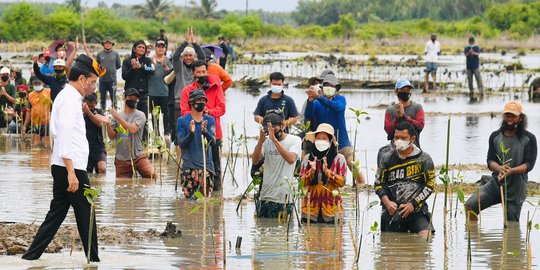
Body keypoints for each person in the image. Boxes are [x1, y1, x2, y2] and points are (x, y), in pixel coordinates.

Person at [22, 54, 105, 262]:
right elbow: (65, 135)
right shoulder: (69, 99)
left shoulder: (69, 97)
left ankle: (30, 258)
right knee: (87, 214)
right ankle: (94, 261)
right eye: (93, 82)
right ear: (83, 80)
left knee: (56, 215)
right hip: (71, 167)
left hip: (62, 164)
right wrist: (71, 172)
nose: (94, 87)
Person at [465, 101, 537, 222]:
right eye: (507, 115)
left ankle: (510, 241)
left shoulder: (529, 138)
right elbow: (490, 160)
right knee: (471, 205)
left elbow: (529, 165)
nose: (510, 119)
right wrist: (499, 168)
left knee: (511, 223)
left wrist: (511, 170)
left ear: (520, 118)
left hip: (516, 187)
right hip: (496, 183)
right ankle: (474, 235)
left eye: (513, 116)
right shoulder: (495, 136)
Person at [374, 121, 435, 237]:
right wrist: (387, 203)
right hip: (392, 211)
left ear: (412, 139)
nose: (399, 140)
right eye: (396, 137)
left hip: (417, 210)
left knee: (426, 237)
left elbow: (430, 185)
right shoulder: (386, 158)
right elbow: (378, 183)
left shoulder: (424, 159)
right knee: (389, 245)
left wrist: (413, 204)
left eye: (403, 137)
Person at [304, 73, 365, 184]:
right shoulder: (317, 103)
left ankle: (362, 186)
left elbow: (337, 107)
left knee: (353, 165)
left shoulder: (340, 99)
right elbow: (308, 115)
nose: (329, 88)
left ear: (336, 89)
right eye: (327, 85)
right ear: (322, 88)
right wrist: (310, 100)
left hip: (342, 142)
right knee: (325, 169)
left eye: (332, 86)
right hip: (324, 143)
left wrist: (318, 97)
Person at [181, 60, 225, 191]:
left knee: (215, 166)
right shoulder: (187, 91)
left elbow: (222, 108)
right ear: (193, 73)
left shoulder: (216, 87)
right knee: (191, 165)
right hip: (192, 133)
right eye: (198, 72)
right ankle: (191, 192)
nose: (201, 74)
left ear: (207, 72)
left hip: (213, 133)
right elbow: (184, 111)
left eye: (204, 71)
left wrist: (208, 112)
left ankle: (216, 196)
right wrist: (198, 114)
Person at [252, 110, 301, 218]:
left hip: (284, 198)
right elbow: (255, 161)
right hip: (265, 196)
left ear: (283, 125)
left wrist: (274, 141)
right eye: (269, 129)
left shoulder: (294, 140)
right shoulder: (266, 141)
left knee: (283, 231)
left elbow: (291, 159)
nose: (272, 131)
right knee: (263, 231)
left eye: (274, 127)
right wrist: (260, 142)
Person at [299, 123, 346, 223]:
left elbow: (342, 182)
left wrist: (327, 172)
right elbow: (301, 183)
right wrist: (311, 171)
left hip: (332, 211)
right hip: (310, 211)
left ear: (330, 141)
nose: (320, 141)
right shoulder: (308, 158)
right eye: (318, 138)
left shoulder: (339, 159)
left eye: (324, 138)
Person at [106, 88, 156, 178]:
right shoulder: (116, 116)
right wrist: (107, 123)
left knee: (153, 176)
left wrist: (117, 117)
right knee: (121, 187)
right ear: (125, 98)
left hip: (138, 156)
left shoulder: (140, 115)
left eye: (135, 98)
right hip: (121, 158)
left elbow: (132, 129)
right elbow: (112, 136)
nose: (133, 100)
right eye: (130, 97)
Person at [177, 89, 216, 198]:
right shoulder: (182, 121)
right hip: (189, 169)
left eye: (203, 100)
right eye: (199, 100)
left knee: (205, 202)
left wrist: (205, 132)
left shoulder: (210, 120)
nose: (201, 103)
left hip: (206, 169)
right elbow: (181, 144)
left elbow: (213, 142)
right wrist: (190, 133)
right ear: (191, 102)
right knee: (189, 203)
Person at [122, 40, 155, 140]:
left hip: (143, 95)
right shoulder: (127, 61)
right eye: (139, 47)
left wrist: (140, 67)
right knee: (128, 118)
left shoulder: (148, 61)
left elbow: (152, 71)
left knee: (143, 119)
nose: (141, 49)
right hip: (130, 95)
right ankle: (127, 139)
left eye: (143, 47)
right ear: (134, 49)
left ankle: (144, 140)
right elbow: (124, 76)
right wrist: (133, 68)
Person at [384, 79, 425, 147]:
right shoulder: (390, 110)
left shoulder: (417, 108)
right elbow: (388, 130)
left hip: (413, 148)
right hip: (395, 149)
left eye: (407, 90)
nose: (405, 92)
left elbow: (420, 126)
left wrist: (404, 117)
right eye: (402, 90)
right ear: (396, 92)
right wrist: (397, 118)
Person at [149, 39, 173, 137]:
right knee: (155, 115)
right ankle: (156, 133)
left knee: (166, 115)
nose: (160, 48)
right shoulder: (150, 59)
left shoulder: (167, 60)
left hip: (164, 92)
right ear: (155, 48)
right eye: (159, 46)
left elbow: (172, 73)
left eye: (162, 47)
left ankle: (166, 134)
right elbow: (146, 72)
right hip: (152, 92)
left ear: (165, 49)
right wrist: (152, 65)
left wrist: (165, 66)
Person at [22, 77, 52, 146]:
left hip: (47, 122)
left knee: (46, 143)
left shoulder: (49, 92)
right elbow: (28, 111)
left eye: (39, 83)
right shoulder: (31, 95)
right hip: (36, 123)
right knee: (35, 144)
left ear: (43, 83)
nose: (37, 85)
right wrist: (25, 125)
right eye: (35, 83)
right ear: (32, 84)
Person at [83, 93, 107, 174]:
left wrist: (88, 112)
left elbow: (100, 124)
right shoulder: (79, 113)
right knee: (87, 173)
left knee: (102, 169)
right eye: (88, 106)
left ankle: (101, 185)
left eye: (92, 107)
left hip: (98, 146)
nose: (90, 108)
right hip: (85, 147)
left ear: (96, 103)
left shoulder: (99, 112)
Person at [97, 36, 122, 109]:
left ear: (112, 44)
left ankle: (115, 115)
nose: (108, 45)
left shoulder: (115, 54)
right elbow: (97, 65)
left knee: (113, 98)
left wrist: (111, 70)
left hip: (112, 80)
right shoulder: (99, 54)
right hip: (102, 80)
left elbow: (118, 65)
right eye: (106, 43)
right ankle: (103, 113)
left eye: (109, 43)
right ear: (103, 44)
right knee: (102, 99)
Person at [0, 66, 16, 131]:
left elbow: (14, 101)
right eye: (3, 74)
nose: (5, 76)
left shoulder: (12, 87)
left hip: (8, 112)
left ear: (9, 76)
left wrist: (5, 94)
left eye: (7, 74)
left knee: (6, 130)